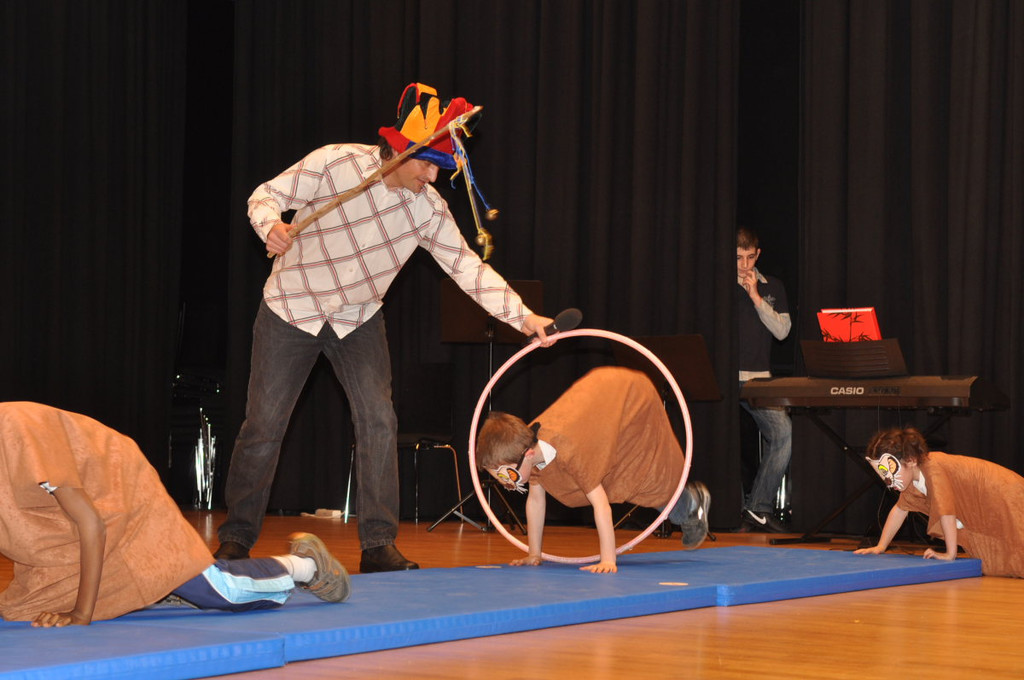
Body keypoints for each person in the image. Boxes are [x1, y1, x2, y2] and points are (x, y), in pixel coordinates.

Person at [215, 83, 554, 573]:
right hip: (291, 308)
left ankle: (378, 545)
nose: (434, 176)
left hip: (358, 319)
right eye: (428, 164)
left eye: (440, 166)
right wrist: (270, 225)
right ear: (400, 151)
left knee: (379, 421)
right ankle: (236, 539)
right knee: (264, 426)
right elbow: (266, 195)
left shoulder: (428, 208)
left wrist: (524, 317)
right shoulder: (334, 163)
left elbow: (468, 268)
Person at [0, 402, 350, 628]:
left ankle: (306, 565)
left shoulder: (21, 432)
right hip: (63, 528)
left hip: (120, 495)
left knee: (221, 592)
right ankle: (156, 588)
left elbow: (91, 524)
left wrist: (81, 614)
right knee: (22, 609)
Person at [476, 367, 711, 574]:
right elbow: (536, 501)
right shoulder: (525, 449)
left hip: (627, 398)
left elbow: (601, 506)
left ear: (527, 454)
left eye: (507, 475)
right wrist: (534, 554)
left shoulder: (568, 452)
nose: (507, 483)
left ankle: (692, 503)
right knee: (614, 478)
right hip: (598, 427)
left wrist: (608, 559)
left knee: (645, 477)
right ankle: (684, 505)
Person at [854, 426, 1024, 578]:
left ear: (911, 460)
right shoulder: (914, 478)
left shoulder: (933, 468)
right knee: (998, 561)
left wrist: (950, 554)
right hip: (992, 499)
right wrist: (881, 546)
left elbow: (946, 512)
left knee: (1015, 547)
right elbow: (899, 510)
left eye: (891, 475)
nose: (889, 482)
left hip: (1005, 494)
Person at [736, 226, 792, 532]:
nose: (744, 265)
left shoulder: (774, 286)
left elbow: (783, 331)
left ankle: (758, 507)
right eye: (738, 258)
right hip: (724, 378)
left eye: (749, 257)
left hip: (758, 381)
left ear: (758, 255)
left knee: (783, 433)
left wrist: (756, 296)